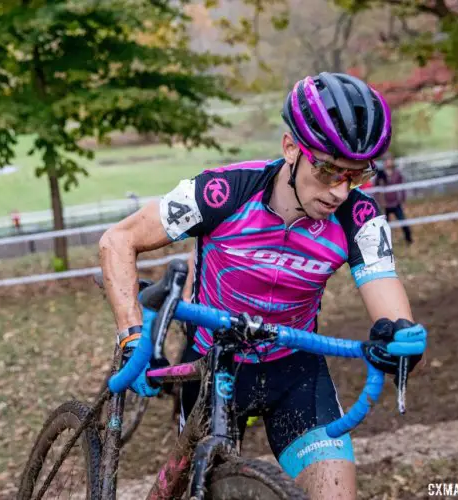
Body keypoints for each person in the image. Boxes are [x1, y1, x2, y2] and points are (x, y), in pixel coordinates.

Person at [99, 72, 428, 500]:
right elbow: (118, 239)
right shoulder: (223, 192)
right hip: (213, 367)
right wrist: (132, 337)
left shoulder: (358, 219)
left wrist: (402, 339)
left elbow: (389, 301)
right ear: (291, 147)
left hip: (295, 370)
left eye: (356, 175)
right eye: (328, 169)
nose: (340, 192)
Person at [375, 153, 413, 244]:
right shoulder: (380, 175)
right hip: (385, 205)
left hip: (396, 203)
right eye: (387, 160)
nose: (389, 162)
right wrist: (380, 202)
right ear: (384, 162)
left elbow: (402, 188)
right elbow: (376, 190)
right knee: (384, 226)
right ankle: (384, 244)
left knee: (403, 222)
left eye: (390, 160)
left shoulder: (397, 174)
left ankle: (409, 240)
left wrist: (403, 201)